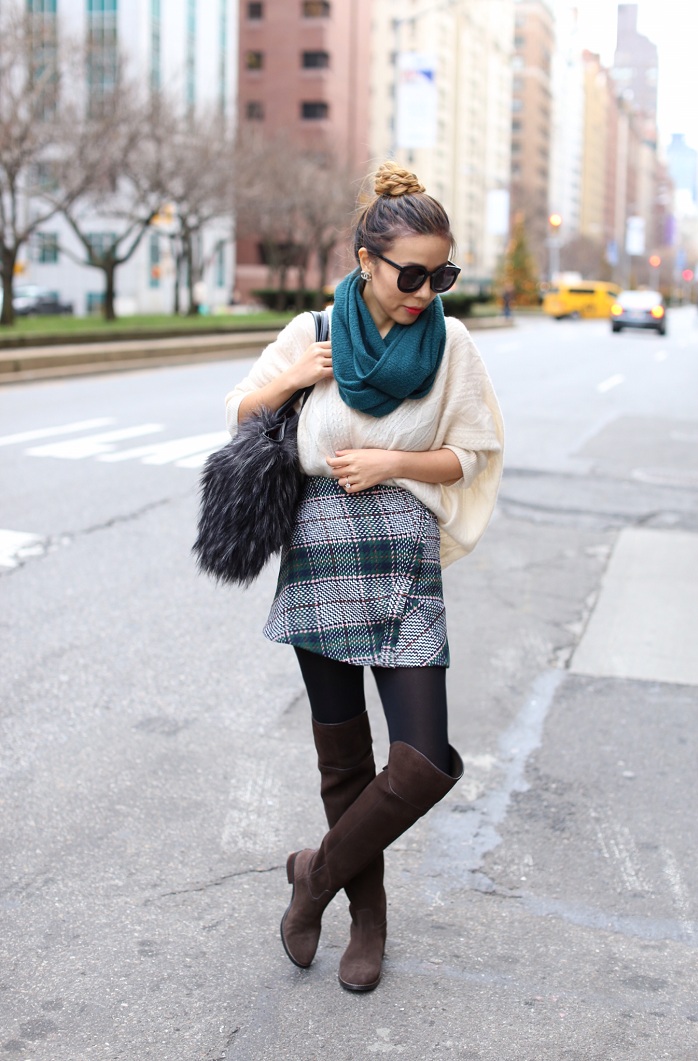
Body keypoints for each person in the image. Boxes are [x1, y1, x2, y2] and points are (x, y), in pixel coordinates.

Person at [225, 161, 504, 993]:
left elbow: (472, 452)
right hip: (320, 550)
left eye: (440, 276)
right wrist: (294, 376)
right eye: (409, 274)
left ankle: (313, 876)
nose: (424, 291)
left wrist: (395, 461)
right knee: (344, 760)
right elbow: (240, 410)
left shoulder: (452, 345)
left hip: (402, 554)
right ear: (365, 262)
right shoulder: (312, 330)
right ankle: (367, 919)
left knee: (423, 760)